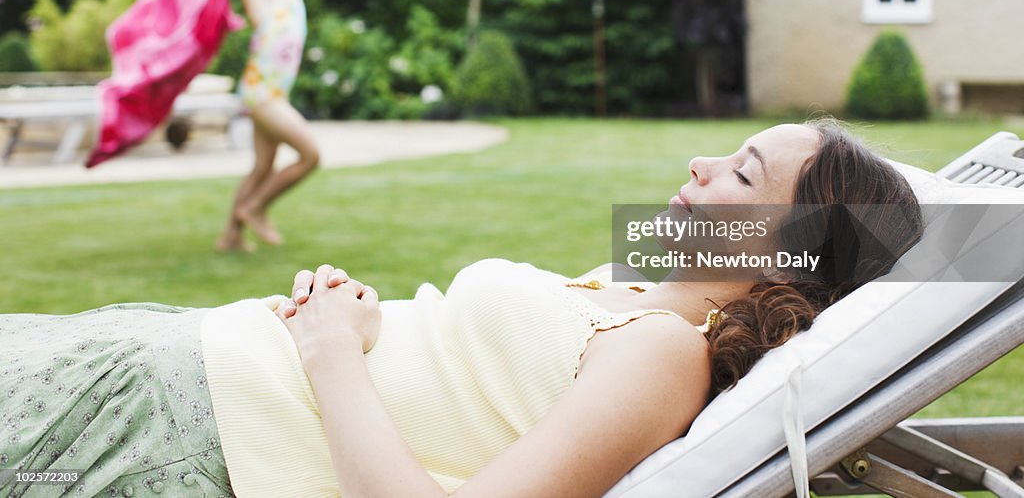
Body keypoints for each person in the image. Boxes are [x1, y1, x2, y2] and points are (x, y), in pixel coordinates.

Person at [0, 121, 923, 498]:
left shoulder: (663, 356)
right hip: (171, 359)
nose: (699, 165)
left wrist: (332, 350)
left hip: (177, 431)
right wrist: (348, 315)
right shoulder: (625, 286)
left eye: (742, 173)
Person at [188, 0, 337, 252]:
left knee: (262, 167)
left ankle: (230, 236)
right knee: (310, 154)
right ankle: (254, 209)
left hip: (275, 94)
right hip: (261, 94)